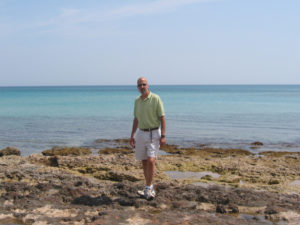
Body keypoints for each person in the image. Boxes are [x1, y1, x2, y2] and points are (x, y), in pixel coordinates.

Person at [130, 77, 166, 200]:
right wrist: (132, 135)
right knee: (144, 161)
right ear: (137, 87)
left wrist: (163, 136)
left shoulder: (156, 98)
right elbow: (136, 119)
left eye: (144, 84)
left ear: (148, 85)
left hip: (154, 133)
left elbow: (162, 117)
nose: (142, 87)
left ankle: (149, 187)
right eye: (139, 85)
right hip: (141, 133)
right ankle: (147, 186)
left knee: (151, 160)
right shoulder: (137, 101)